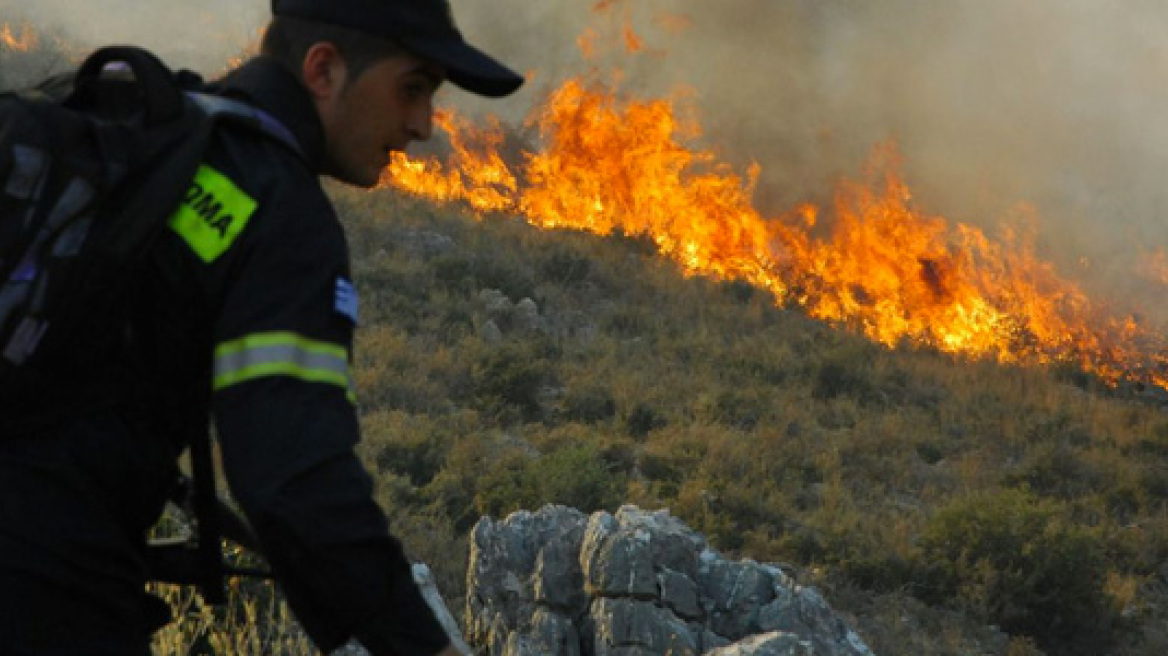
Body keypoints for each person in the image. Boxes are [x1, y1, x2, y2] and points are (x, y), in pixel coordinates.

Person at [0, 1, 523, 654]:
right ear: (324, 69)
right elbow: (294, 481)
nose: (423, 124)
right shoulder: (278, 207)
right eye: (412, 88)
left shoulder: (155, 139)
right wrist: (424, 645)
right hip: (47, 587)